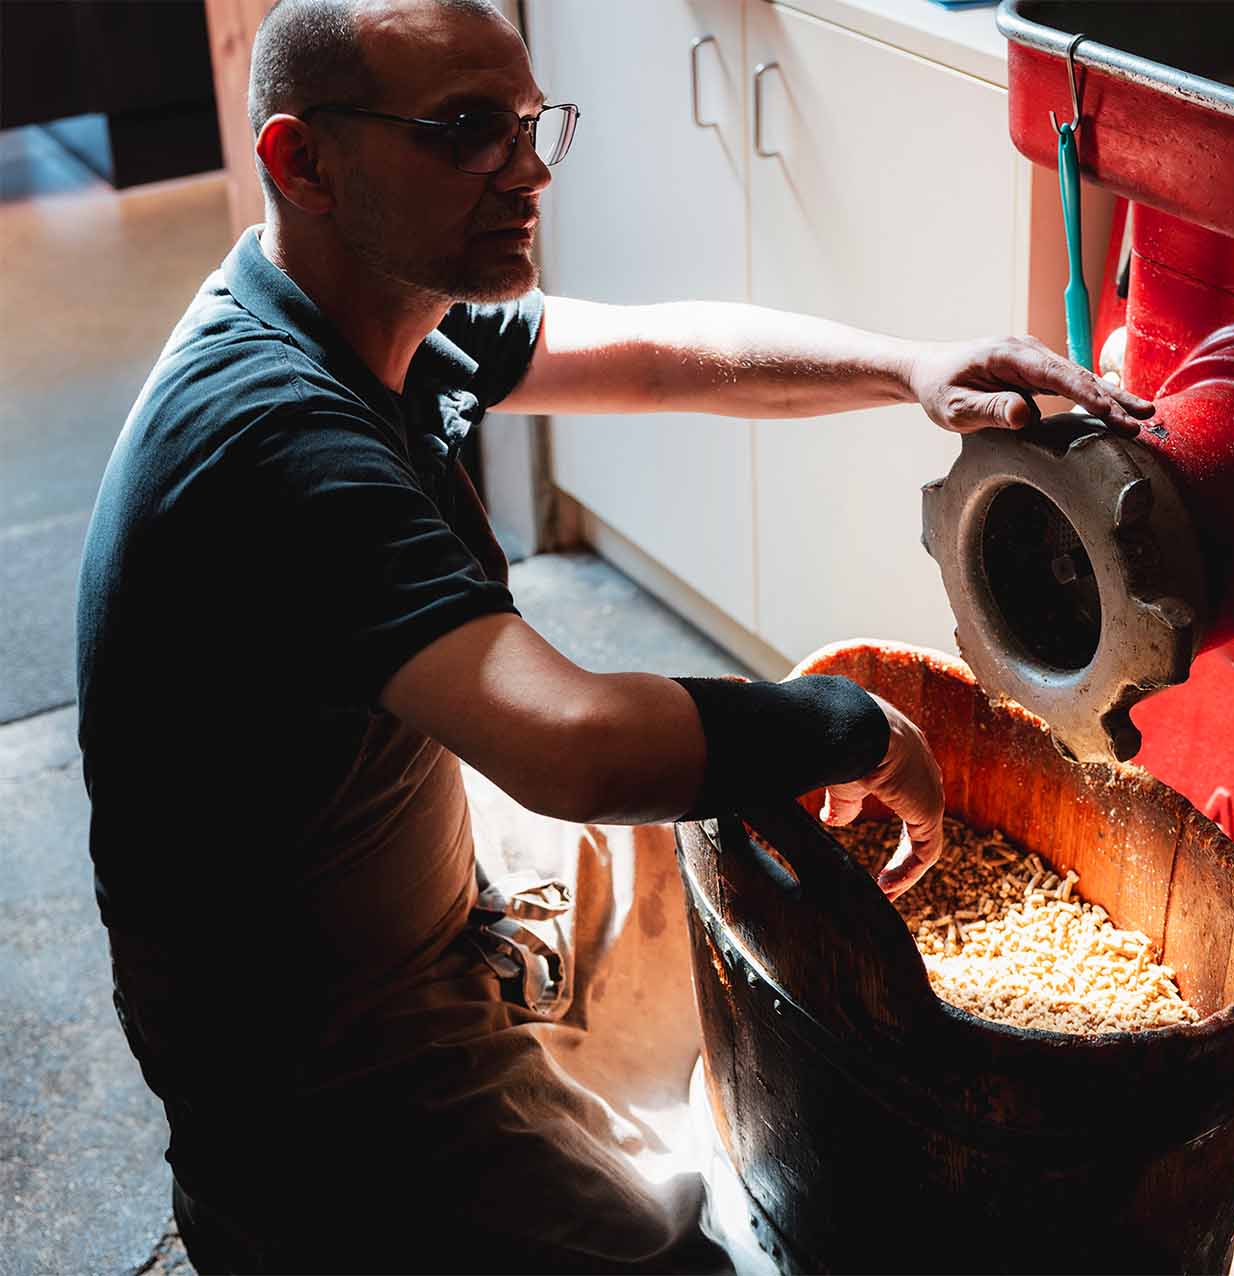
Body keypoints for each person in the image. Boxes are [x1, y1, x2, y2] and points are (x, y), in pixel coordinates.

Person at [74, 0, 1152, 1270]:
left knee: (729, 850)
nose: (526, 171)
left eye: (531, 126)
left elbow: (665, 355)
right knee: (671, 1251)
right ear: (299, 160)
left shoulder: (381, 309)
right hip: (319, 1063)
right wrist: (845, 725)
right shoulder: (277, 435)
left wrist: (909, 367)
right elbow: (572, 744)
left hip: (414, 873)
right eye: (468, 132)